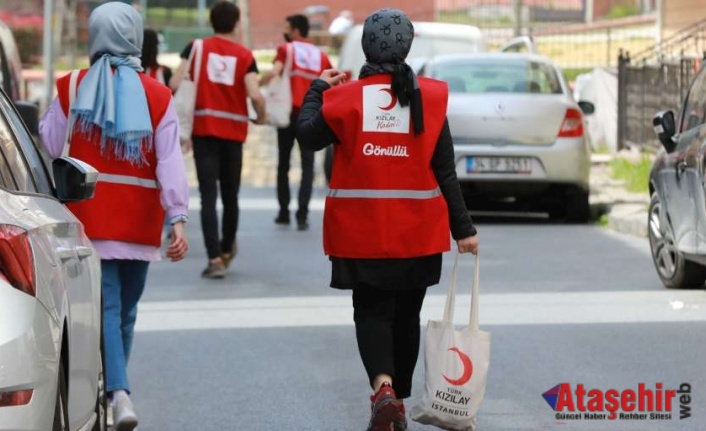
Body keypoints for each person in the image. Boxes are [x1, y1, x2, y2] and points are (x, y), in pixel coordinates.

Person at [296, 8, 479, 431]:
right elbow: (444, 170)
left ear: (365, 46)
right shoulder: (428, 100)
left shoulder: (345, 99)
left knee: (371, 310)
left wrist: (318, 88)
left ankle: (383, 390)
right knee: (406, 312)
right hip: (417, 232)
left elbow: (306, 135)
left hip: (360, 233)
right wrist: (464, 230)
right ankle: (395, 399)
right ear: (407, 46)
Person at [38, 3, 189, 430]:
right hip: (139, 226)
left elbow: (50, 142)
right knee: (122, 312)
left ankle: (113, 389)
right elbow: (170, 161)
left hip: (88, 221)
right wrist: (177, 217)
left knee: (109, 310)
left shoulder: (73, 87)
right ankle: (118, 392)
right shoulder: (158, 95)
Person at [170, 1, 267, 279]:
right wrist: (260, 116)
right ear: (237, 23)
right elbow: (256, 95)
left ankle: (213, 259)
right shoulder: (245, 56)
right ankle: (226, 250)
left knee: (208, 196)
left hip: (204, 133)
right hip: (234, 135)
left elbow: (176, 84)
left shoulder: (196, 48)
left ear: (211, 22)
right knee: (231, 196)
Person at [260, 14, 332, 230]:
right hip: (310, 115)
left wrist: (256, 83)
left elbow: (275, 71)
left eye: (288, 28)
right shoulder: (320, 56)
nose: (286, 32)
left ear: (296, 31)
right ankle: (302, 215)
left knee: (283, 164)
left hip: (288, 112)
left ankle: (283, 212)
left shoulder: (287, 49)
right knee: (308, 166)